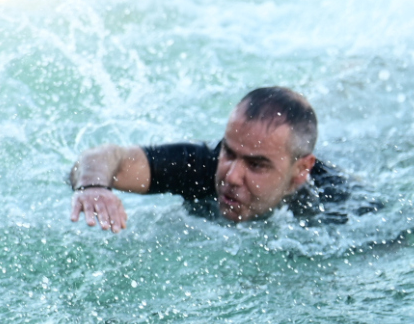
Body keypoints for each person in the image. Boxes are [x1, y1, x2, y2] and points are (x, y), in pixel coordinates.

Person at [68, 87, 377, 231]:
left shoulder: (340, 206)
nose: (230, 176)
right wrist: (92, 186)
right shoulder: (201, 165)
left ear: (300, 171)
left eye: (256, 165)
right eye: (229, 152)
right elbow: (103, 158)